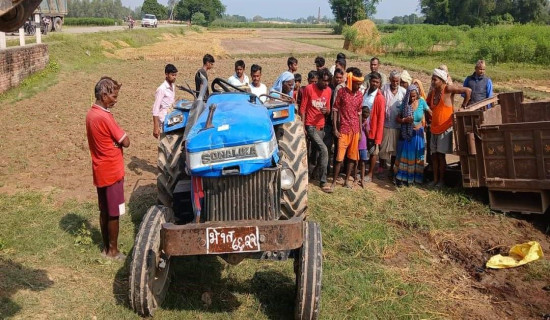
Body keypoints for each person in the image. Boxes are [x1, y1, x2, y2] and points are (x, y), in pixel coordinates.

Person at [86, 76, 129, 260]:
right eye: (113, 96)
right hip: (113, 170)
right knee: (115, 213)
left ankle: (105, 247)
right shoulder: (106, 117)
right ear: (104, 95)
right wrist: (117, 144)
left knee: (104, 210)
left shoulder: (90, 115)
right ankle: (113, 251)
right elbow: (125, 141)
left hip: (99, 169)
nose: (115, 100)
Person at [427, 68, 472, 188]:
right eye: (432, 79)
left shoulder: (447, 89)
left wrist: (463, 107)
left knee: (441, 156)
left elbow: (468, 90)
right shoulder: (433, 92)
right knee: (434, 156)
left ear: (442, 80)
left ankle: (441, 181)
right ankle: (435, 180)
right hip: (434, 128)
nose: (432, 81)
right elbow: (426, 104)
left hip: (445, 128)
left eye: (434, 79)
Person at [329, 68, 365, 192]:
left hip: (355, 130)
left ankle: (346, 181)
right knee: (339, 158)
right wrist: (335, 128)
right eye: (357, 84)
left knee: (351, 157)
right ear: (351, 81)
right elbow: (335, 110)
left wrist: (360, 131)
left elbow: (359, 113)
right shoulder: (342, 92)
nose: (359, 86)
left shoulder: (360, 95)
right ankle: (333, 182)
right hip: (343, 130)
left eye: (360, 84)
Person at [300, 68, 332, 190]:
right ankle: (323, 182)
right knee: (324, 150)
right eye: (324, 81)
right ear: (318, 79)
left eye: (328, 81)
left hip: (321, 125)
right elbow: (302, 108)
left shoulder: (328, 91)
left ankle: (311, 175)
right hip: (310, 125)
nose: (326, 84)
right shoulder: (309, 89)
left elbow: (328, 109)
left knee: (316, 153)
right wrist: (303, 126)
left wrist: (326, 111)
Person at [394, 85, 431, 186]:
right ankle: (404, 178)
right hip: (408, 134)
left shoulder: (422, 102)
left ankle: (415, 179)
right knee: (407, 155)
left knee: (418, 156)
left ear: (417, 95)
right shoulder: (405, 105)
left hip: (418, 134)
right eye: (410, 96)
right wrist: (404, 120)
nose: (412, 98)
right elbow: (397, 118)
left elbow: (430, 112)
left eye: (414, 96)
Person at [379, 70, 406, 179]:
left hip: (397, 125)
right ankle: (381, 168)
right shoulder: (384, 89)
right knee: (383, 148)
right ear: (390, 80)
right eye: (393, 81)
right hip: (385, 123)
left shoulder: (403, 92)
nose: (395, 83)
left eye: (397, 81)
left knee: (395, 149)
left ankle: (392, 170)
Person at [363, 72, 386, 183]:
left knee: (373, 152)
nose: (375, 84)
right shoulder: (365, 92)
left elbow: (381, 119)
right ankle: (362, 171)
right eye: (373, 81)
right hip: (362, 127)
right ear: (370, 81)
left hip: (372, 129)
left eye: (377, 82)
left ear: (380, 83)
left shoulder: (380, 98)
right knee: (362, 149)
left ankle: (370, 174)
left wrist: (378, 136)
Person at [152, 64, 177, 139]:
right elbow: (155, 109)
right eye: (172, 75)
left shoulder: (172, 86)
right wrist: (156, 127)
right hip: (164, 121)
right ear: (166, 74)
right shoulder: (161, 89)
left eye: (175, 75)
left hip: (171, 119)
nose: (174, 77)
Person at [357, 107, 370, 188]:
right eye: (364, 117)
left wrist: (365, 126)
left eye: (366, 117)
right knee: (356, 162)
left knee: (362, 163)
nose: (365, 119)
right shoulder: (356, 121)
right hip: (357, 144)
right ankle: (356, 178)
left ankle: (362, 179)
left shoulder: (366, 122)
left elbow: (368, 134)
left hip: (363, 145)